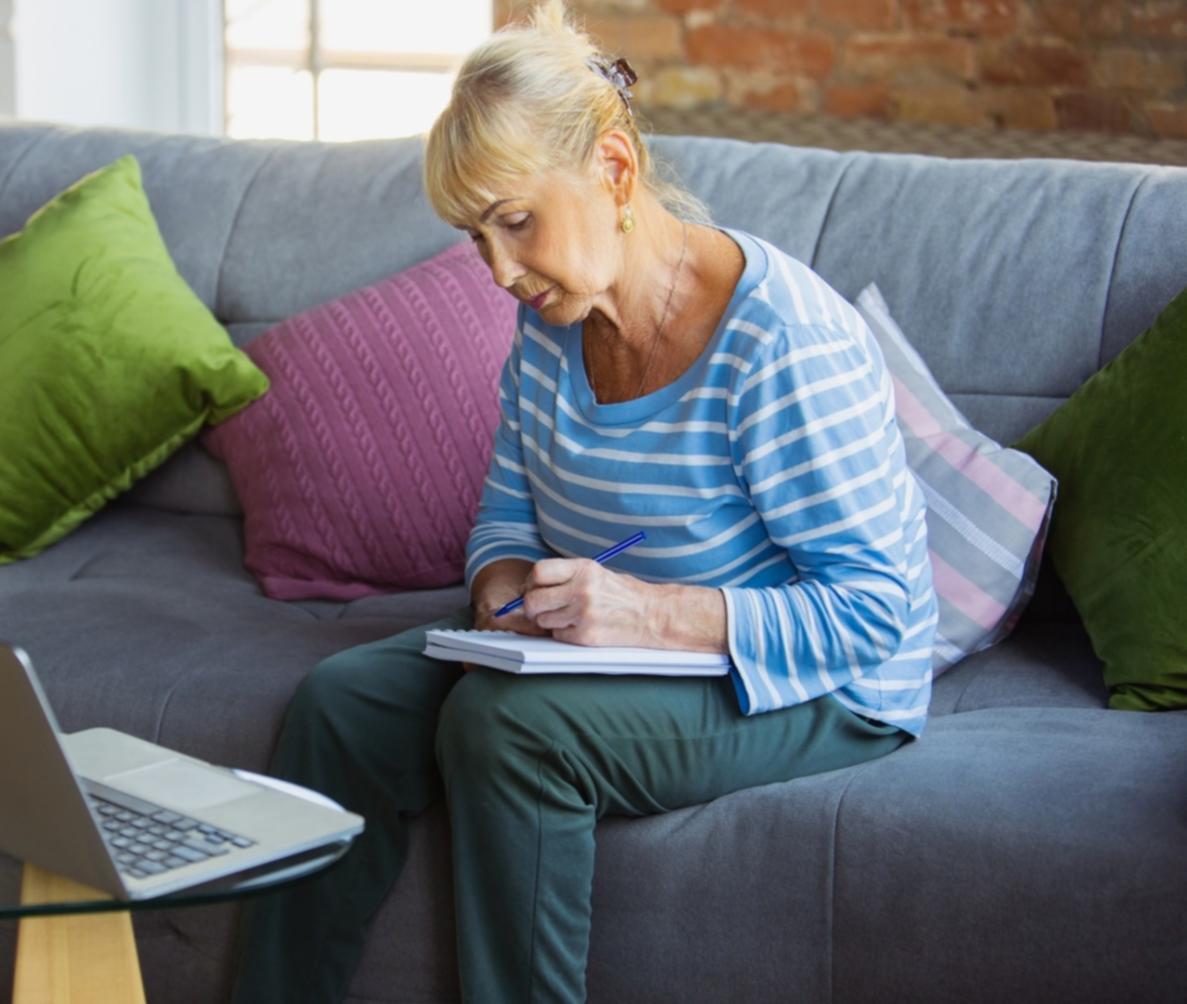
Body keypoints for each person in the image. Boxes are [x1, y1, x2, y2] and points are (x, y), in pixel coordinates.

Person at [232, 2, 937, 1001]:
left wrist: (651, 614)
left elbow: (871, 614)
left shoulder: (780, 343)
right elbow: (506, 513)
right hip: (612, 647)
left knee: (509, 726)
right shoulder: (551, 322)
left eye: (515, 221)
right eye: (476, 236)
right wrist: (502, 587)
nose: (497, 271)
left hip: (823, 685)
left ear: (612, 167)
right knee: (339, 703)